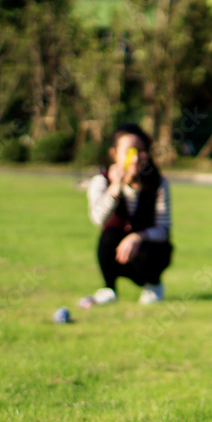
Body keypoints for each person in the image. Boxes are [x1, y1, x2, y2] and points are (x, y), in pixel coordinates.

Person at [80, 123, 173, 308]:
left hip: (146, 252)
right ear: (114, 154)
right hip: (115, 252)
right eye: (130, 152)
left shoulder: (157, 183)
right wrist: (115, 188)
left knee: (154, 249)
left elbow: (164, 229)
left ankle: (152, 285)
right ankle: (109, 289)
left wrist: (137, 237)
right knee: (109, 235)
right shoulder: (102, 181)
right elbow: (98, 219)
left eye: (141, 151)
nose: (136, 157)